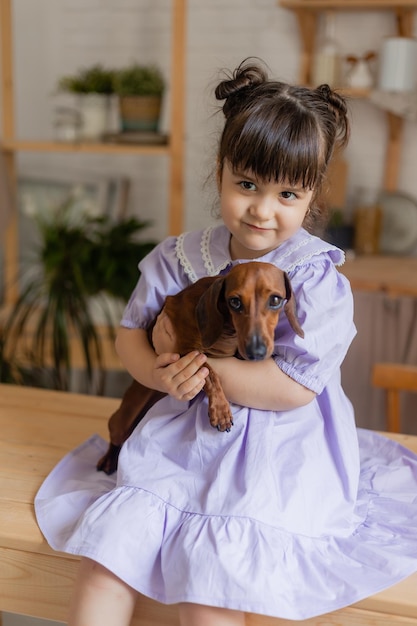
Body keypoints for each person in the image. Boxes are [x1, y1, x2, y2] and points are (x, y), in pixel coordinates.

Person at [35, 59, 417, 626]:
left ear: (311, 196)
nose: (263, 209)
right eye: (247, 185)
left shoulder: (313, 276)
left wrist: (188, 358)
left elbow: (293, 387)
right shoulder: (181, 257)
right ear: (220, 174)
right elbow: (130, 335)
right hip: (178, 441)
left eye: (287, 193)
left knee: (212, 579)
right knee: (105, 561)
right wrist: (158, 374)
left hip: (277, 450)